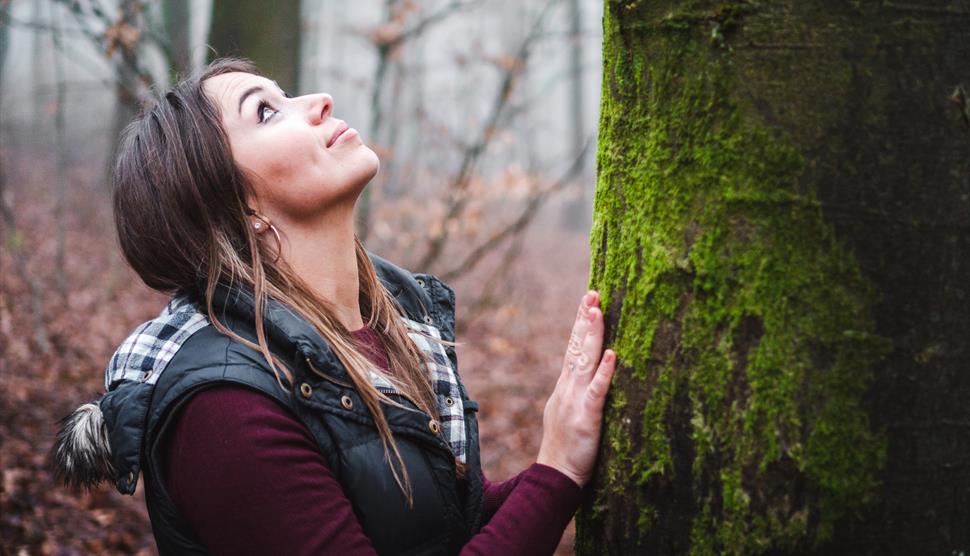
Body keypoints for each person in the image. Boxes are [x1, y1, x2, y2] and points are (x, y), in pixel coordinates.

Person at [52, 58, 616, 555]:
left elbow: (439, 525)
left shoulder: (388, 324)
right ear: (231, 204)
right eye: (266, 112)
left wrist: (566, 442)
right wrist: (556, 471)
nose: (319, 101)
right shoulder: (225, 410)